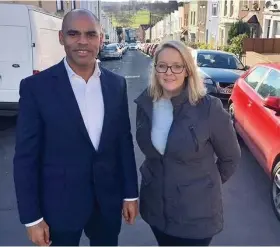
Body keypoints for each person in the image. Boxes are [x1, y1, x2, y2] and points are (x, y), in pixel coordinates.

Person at [13, 9, 138, 246]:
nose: (83, 41)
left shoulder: (116, 85)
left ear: (101, 39)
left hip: (106, 205)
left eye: (91, 34)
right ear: (61, 38)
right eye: (74, 34)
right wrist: (32, 218)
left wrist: (130, 193)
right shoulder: (36, 88)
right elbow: (25, 158)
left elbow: (123, 141)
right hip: (58, 209)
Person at [134, 40, 241, 246]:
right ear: (155, 68)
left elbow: (231, 158)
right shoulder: (146, 103)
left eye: (177, 66)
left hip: (195, 217)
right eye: (162, 65)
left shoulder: (209, 108)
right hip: (156, 209)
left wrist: (205, 186)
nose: (169, 72)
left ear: (187, 70)